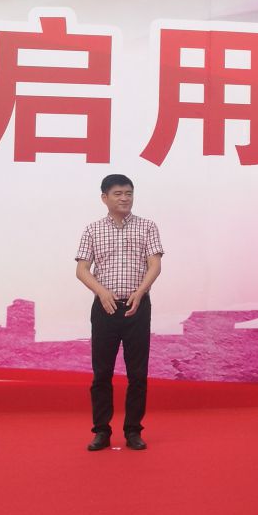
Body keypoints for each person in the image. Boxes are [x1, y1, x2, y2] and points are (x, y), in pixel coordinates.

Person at [75, 174, 164, 452]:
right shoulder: (93, 230)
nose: (124, 198)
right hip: (105, 307)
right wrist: (102, 292)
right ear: (104, 198)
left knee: (137, 373)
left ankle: (133, 430)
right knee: (102, 372)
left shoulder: (147, 227)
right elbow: (82, 270)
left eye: (129, 193)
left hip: (137, 306)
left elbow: (155, 265)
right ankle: (101, 430)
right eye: (118, 193)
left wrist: (141, 291)